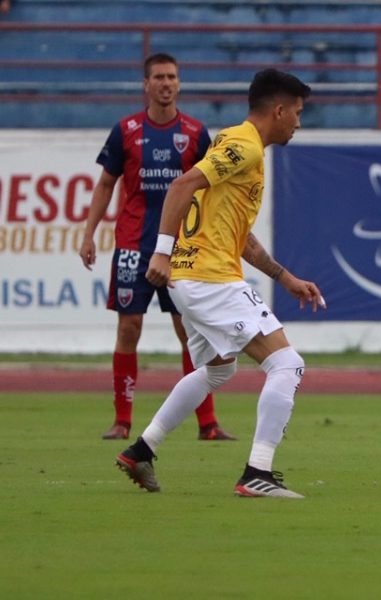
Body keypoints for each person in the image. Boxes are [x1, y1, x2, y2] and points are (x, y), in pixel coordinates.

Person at [115, 68, 323, 498]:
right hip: (209, 279)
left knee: (217, 370)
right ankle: (257, 473)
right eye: (297, 113)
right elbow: (182, 184)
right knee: (287, 364)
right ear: (279, 110)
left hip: (195, 278)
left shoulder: (235, 143)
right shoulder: (245, 146)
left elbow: (239, 237)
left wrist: (285, 278)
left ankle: (141, 449)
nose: (299, 123)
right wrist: (160, 250)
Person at [80, 53, 234, 442]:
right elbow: (105, 184)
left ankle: (208, 423)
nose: (166, 83)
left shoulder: (197, 133)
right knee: (129, 327)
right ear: (146, 84)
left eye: (172, 77)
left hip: (182, 249)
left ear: (179, 84)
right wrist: (88, 233)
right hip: (134, 244)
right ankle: (122, 420)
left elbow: (211, 191)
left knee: (190, 332)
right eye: (159, 77)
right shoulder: (125, 130)